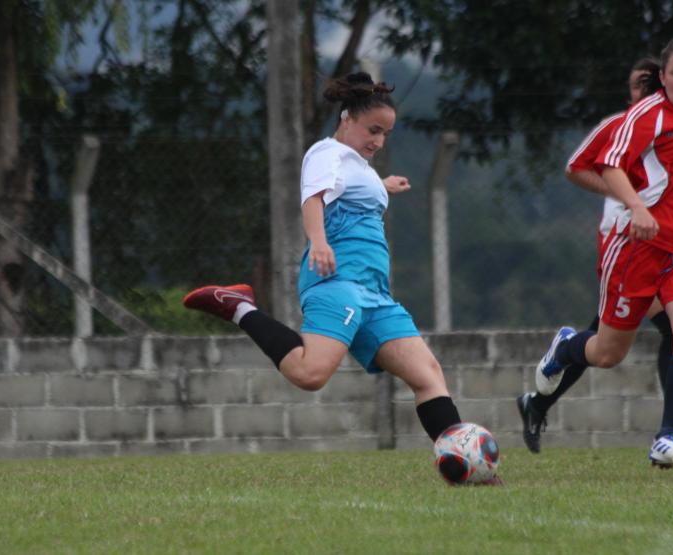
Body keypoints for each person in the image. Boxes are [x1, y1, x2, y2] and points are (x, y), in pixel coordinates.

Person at [183, 72, 485, 483]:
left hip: (375, 293)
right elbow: (314, 197)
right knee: (310, 374)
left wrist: (383, 185)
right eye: (373, 130)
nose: (379, 141)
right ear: (347, 118)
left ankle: (465, 468)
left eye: (386, 134)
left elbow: (350, 189)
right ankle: (240, 307)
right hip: (337, 281)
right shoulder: (326, 152)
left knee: (428, 375)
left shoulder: (356, 165)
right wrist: (319, 241)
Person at [517, 57, 673, 454]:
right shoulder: (623, 123)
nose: (645, 91)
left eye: (649, 83)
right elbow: (576, 168)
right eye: (638, 84)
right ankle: (555, 371)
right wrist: (632, 200)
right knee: (608, 349)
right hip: (627, 244)